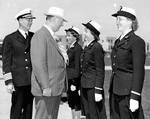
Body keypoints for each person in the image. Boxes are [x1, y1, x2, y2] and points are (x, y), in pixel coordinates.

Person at [30, 6, 67, 119]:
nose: (62, 25)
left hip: (53, 89)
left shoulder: (48, 35)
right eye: (61, 21)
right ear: (55, 19)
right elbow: (38, 64)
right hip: (47, 90)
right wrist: (45, 86)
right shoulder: (41, 35)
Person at [109, 6, 146, 119]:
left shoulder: (137, 42)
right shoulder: (118, 41)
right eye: (117, 19)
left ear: (130, 21)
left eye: (120, 19)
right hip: (115, 91)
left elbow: (139, 71)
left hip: (128, 94)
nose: (117, 22)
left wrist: (135, 96)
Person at [2, 8, 35, 119]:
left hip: (30, 80)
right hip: (17, 82)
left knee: (28, 109)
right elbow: (6, 62)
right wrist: (9, 82)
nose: (30, 22)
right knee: (16, 109)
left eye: (32, 19)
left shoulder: (33, 36)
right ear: (20, 20)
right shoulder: (10, 38)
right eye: (28, 19)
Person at [80, 20, 107, 119]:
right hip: (85, 86)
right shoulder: (87, 47)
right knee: (88, 114)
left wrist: (98, 90)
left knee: (95, 114)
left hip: (92, 87)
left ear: (92, 33)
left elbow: (100, 70)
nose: (84, 33)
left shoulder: (96, 47)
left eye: (86, 31)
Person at [65, 26, 82, 119]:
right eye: (66, 36)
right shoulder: (70, 48)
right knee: (71, 102)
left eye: (69, 36)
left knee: (76, 103)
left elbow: (77, 67)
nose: (67, 38)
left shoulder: (77, 48)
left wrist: (75, 82)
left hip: (73, 81)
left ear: (75, 37)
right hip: (69, 79)